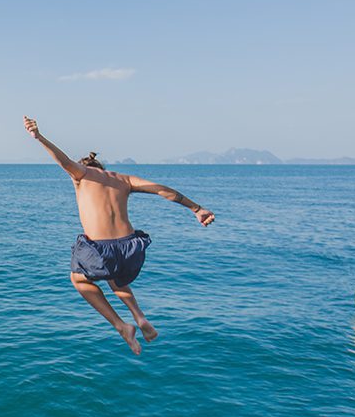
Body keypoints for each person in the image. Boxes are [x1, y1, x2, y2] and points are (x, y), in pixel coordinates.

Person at [23, 116, 215, 356]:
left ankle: (122, 326)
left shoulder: (81, 175)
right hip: (131, 249)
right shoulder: (124, 180)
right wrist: (197, 209)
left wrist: (39, 137)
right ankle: (140, 317)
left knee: (79, 279)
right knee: (115, 276)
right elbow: (163, 190)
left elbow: (62, 161)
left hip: (102, 248)